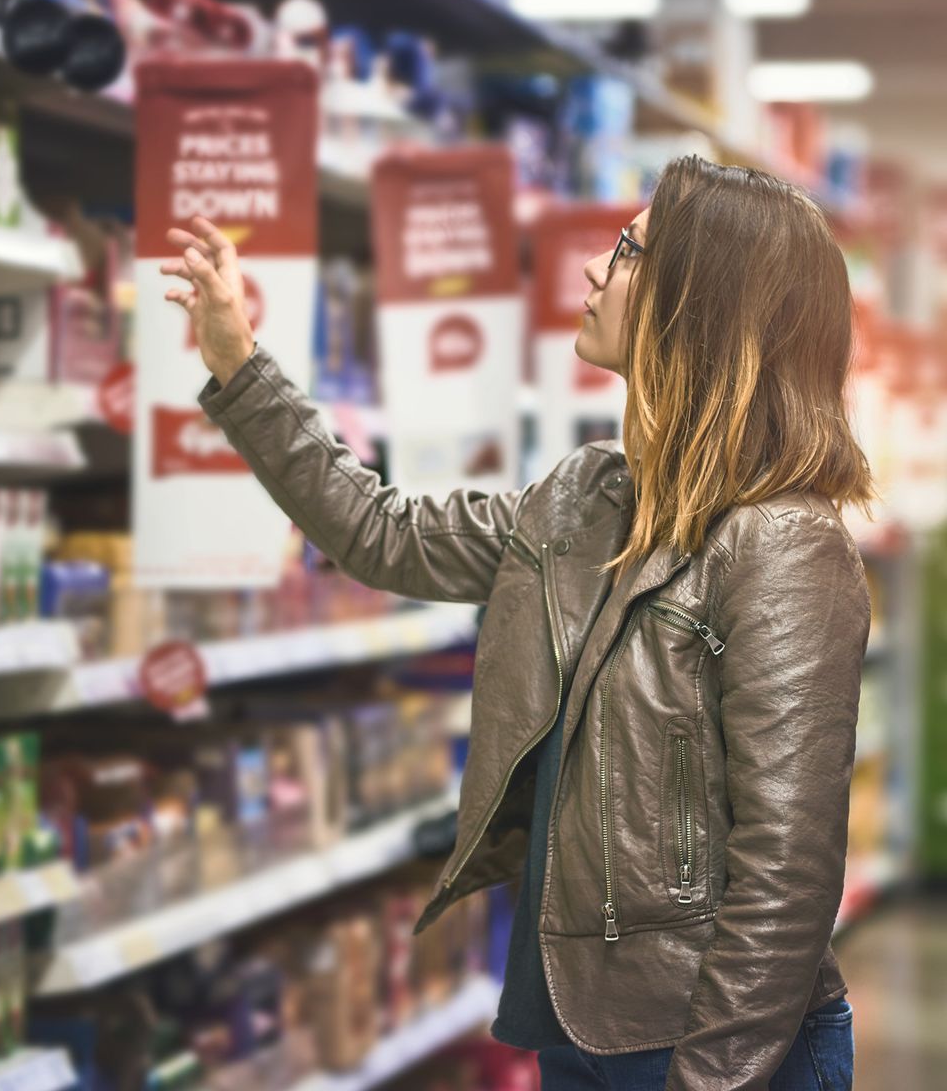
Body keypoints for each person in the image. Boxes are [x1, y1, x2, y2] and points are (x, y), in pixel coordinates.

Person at [161, 154, 875, 1090]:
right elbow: (383, 534)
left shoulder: (783, 545)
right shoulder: (586, 505)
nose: (593, 270)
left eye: (629, 252)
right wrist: (239, 367)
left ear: (699, 303)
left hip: (711, 1041)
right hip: (574, 1017)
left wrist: (708, 1076)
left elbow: (788, 875)